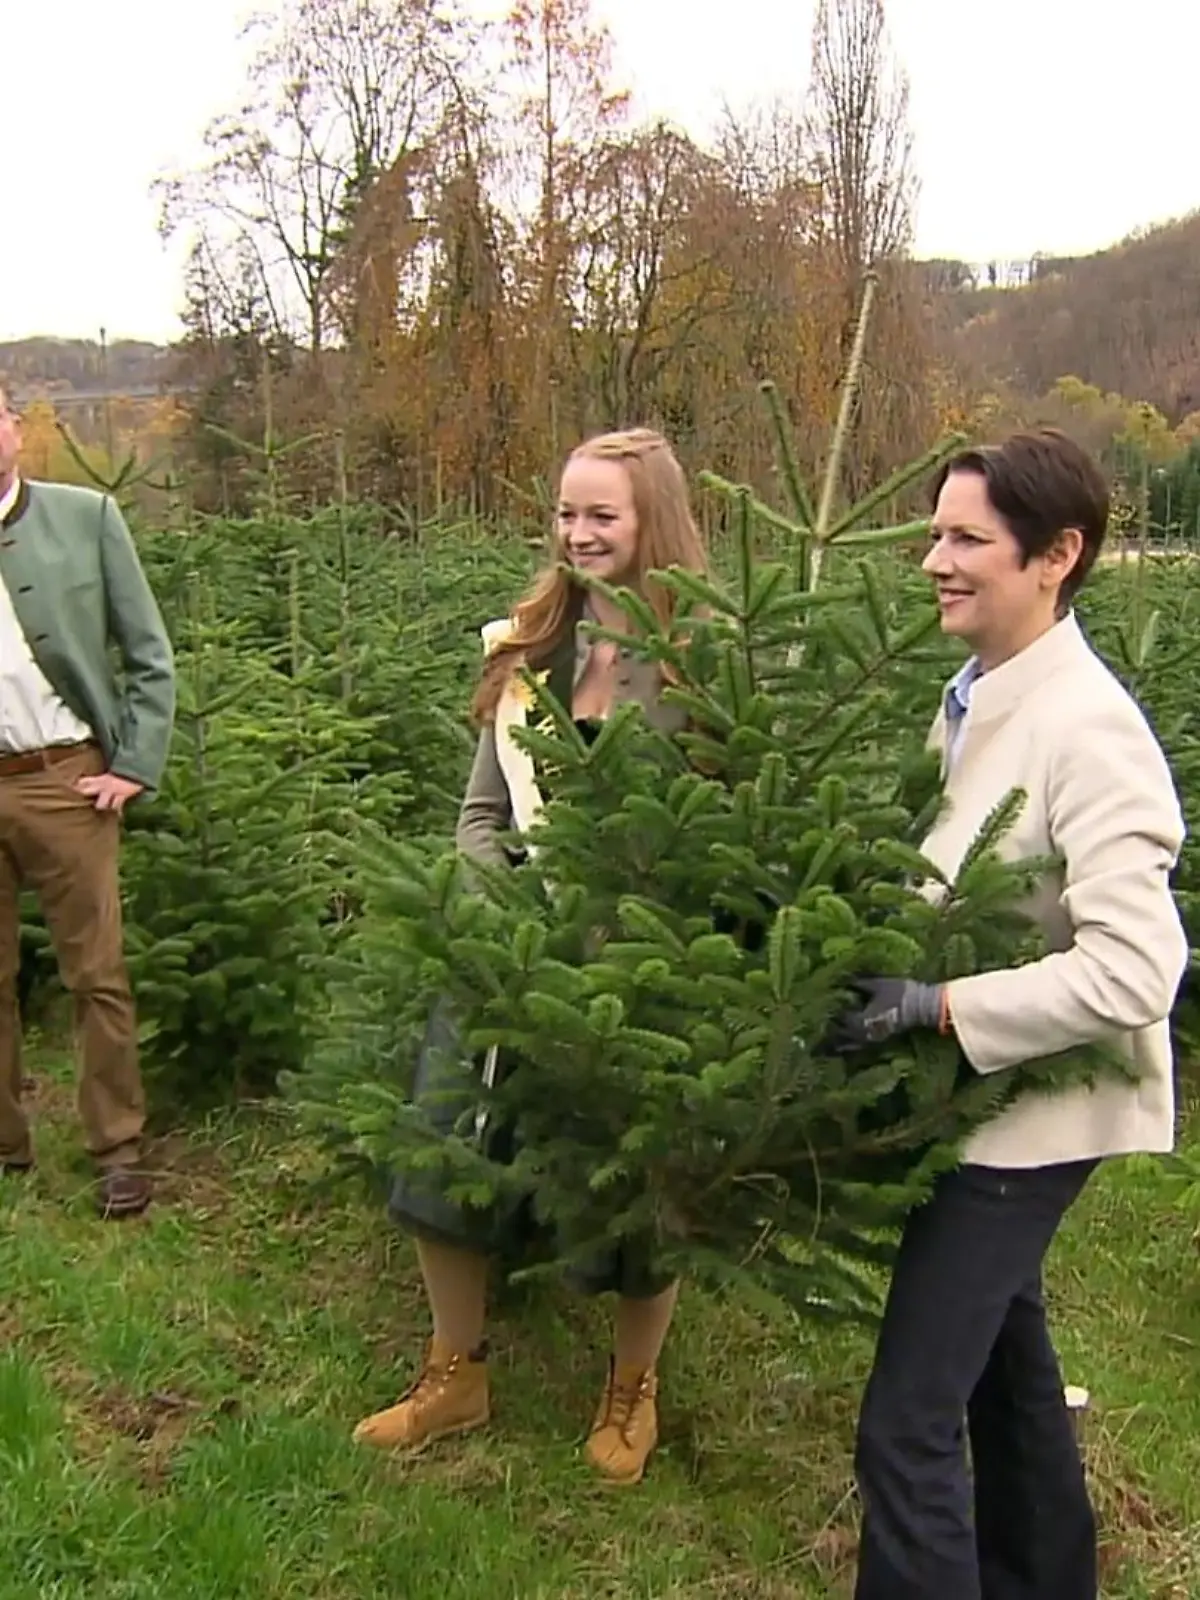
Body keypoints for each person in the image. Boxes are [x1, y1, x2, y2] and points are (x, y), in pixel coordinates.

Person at [827, 428, 1189, 1599]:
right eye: (935, 532)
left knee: (906, 1423)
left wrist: (938, 1007)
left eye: (968, 538)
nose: (935, 557)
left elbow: (1138, 969)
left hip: (1031, 1119)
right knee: (1005, 1376)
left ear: (1057, 555)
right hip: (983, 1098)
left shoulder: (1089, 728)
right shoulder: (975, 690)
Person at [352, 427, 709, 1486]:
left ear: (653, 521)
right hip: (505, 953)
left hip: (635, 971)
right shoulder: (528, 644)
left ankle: (632, 1386)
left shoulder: (699, 660)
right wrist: (501, 909)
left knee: (643, 1188)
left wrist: (624, 930)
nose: (578, 532)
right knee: (438, 1151)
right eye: (565, 512)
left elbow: (721, 826)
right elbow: (478, 810)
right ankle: (454, 1371)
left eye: (603, 513)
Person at [0, 383, 175, 1219]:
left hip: (66, 781)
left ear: (12, 428)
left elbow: (147, 651)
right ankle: (5, 1145)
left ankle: (117, 1149)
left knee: (95, 973)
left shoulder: (85, 518)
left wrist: (133, 762)